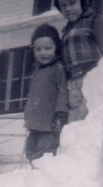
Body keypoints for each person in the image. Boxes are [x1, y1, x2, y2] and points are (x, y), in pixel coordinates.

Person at [53, 0, 103, 122]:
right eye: (63, 5)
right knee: (75, 121)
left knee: (92, 117)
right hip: (73, 82)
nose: (68, 8)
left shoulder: (96, 21)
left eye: (72, 3)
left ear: (82, 0)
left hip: (93, 78)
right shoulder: (66, 30)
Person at [23, 23, 69, 164]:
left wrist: (60, 113)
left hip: (49, 123)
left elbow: (63, 91)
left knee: (45, 155)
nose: (43, 53)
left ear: (56, 48)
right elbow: (33, 95)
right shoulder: (36, 71)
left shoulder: (58, 68)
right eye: (38, 49)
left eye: (48, 48)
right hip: (34, 123)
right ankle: (32, 177)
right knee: (30, 151)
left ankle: (43, 179)